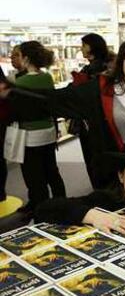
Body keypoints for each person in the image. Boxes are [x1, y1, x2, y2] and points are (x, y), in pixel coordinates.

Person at [0, 34, 125, 189]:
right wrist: (12, 93)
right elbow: (56, 99)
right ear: (122, 60)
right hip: (112, 177)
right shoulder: (100, 90)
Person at [14, 41, 66, 213]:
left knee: (34, 175)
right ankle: (61, 202)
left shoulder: (20, 82)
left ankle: (40, 208)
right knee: (51, 170)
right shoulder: (47, 77)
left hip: (30, 135)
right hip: (49, 131)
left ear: (26, 58)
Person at [70, 33, 110, 188]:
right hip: (97, 120)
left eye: (84, 45)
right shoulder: (101, 66)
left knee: (94, 159)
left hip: (92, 122)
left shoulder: (94, 69)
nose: (81, 48)